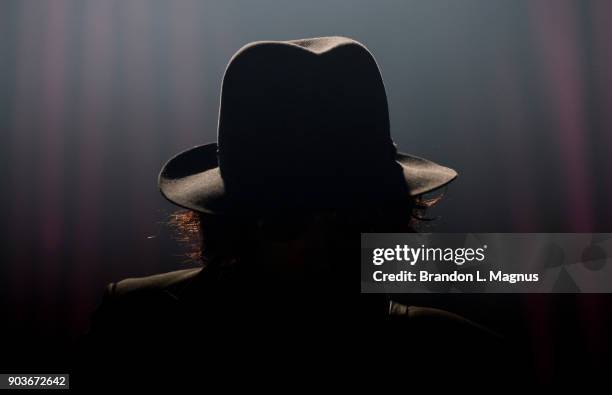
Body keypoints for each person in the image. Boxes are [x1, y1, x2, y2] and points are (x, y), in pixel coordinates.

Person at [79, 37, 512, 387]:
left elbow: (567, 264)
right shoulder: (141, 322)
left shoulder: (452, 350)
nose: (322, 242)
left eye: (350, 216)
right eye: (292, 218)